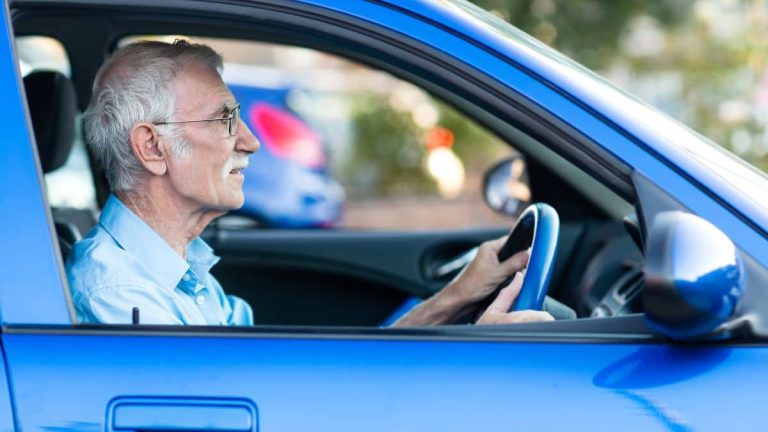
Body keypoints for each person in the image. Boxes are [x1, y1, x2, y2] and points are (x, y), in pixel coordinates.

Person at [67, 40, 554, 326]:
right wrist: (471, 362)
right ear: (152, 147)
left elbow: (292, 393)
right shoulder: (122, 297)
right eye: (224, 120)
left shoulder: (175, 271)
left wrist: (456, 298)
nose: (252, 142)